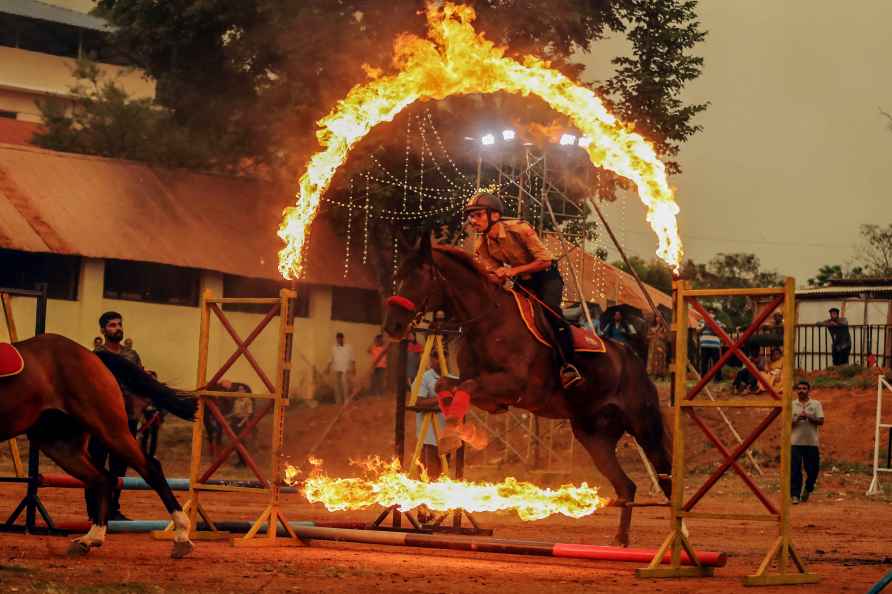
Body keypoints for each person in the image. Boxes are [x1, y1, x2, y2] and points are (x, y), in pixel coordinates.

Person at [465, 192, 582, 389]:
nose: (472, 221)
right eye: (471, 216)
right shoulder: (481, 245)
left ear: (494, 215)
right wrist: (488, 277)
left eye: (478, 215)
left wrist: (511, 271)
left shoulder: (520, 229)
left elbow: (545, 260)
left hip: (546, 277)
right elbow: (496, 276)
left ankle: (569, 365)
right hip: (523, 281)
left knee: (550, 313)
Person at [89, 311, 142, 521]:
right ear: (103, 330)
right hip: (101, 417)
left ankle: (113, 509)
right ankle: (95, 511)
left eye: (119, 324)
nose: (117, 328)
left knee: (120, 464)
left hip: (127, 417)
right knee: (97, 463)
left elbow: (140, 381)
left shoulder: (132, 355)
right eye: (112, 325)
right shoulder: (95, 355)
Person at [791, 380, 824, 504]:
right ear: (796, 391)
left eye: (804, 388)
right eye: (799, 388)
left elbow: (821, 421)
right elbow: (786, 423)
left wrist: (809, 416)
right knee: (795, 470)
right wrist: (797, 418)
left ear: (809, 390)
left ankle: (808, 488)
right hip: (795, 443)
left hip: (811, 443)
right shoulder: (791, 404)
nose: (801, 390)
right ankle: (795, 495)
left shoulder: (816, 404)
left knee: (813, 470)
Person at [326, 332, 355, 405]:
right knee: (336, 386)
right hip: (336, 368)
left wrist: (354, 367)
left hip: (345, 368)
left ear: (342, 338)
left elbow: (352, 358)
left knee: (345, 385)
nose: (338, 340)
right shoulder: (333, 348)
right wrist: (327, 367)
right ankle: (338, 401)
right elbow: (330, 358)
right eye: (337, 339)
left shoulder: (348, 347)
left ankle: (346, 400)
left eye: (340, 338)